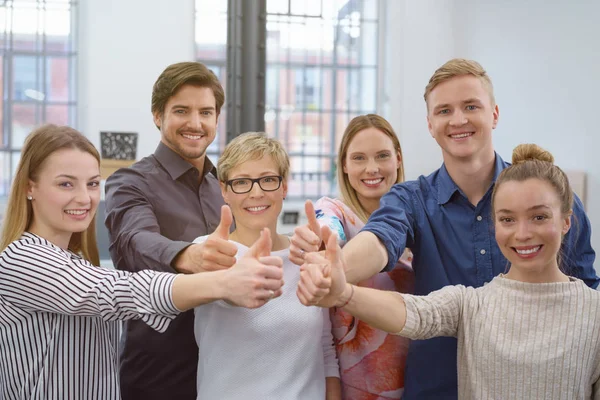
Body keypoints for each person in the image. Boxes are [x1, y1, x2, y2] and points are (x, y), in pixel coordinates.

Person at [291, 58, 599, 399]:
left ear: (494, 114)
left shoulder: (549, 199)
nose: (459, 120)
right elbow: (380, 240)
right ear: (429, 124)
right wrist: (337, 269)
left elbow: (584, 302)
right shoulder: (411, 199)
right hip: (435, 387)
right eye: (444, 111)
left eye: (471, 106)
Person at [0, 124, 285, 399]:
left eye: (92, 184)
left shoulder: (76, 261)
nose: (84, 198)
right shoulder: (22, 259)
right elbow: (116, 290)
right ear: (29, 188)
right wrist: (222, 282)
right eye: (65, 184)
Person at [104, 62, 237, 399]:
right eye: (181, 110)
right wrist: (188, 255)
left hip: (227, 365)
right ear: (157, 115)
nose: (195, 123)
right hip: (161, 372)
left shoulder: (223, 185)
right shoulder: (129, 182)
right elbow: (134, 242)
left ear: (216, 120)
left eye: (205, 112)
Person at [192, 132, 341, 399]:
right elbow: (222, 295)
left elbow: (325, 348)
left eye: (268, 179)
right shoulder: (208, 251)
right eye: (241, 182)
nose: (257, 192)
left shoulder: (307, 254)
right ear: (224, 190)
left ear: (284, 187)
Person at [289, 114, 414, 399]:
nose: (372, 168)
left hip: (420, 378)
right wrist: (317, 242)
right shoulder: (336, 211)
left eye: (382, 156)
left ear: (398, 159)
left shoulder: (417, 214)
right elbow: (326, 230)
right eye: (359, 158)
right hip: (354, 385)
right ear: (344, 165)